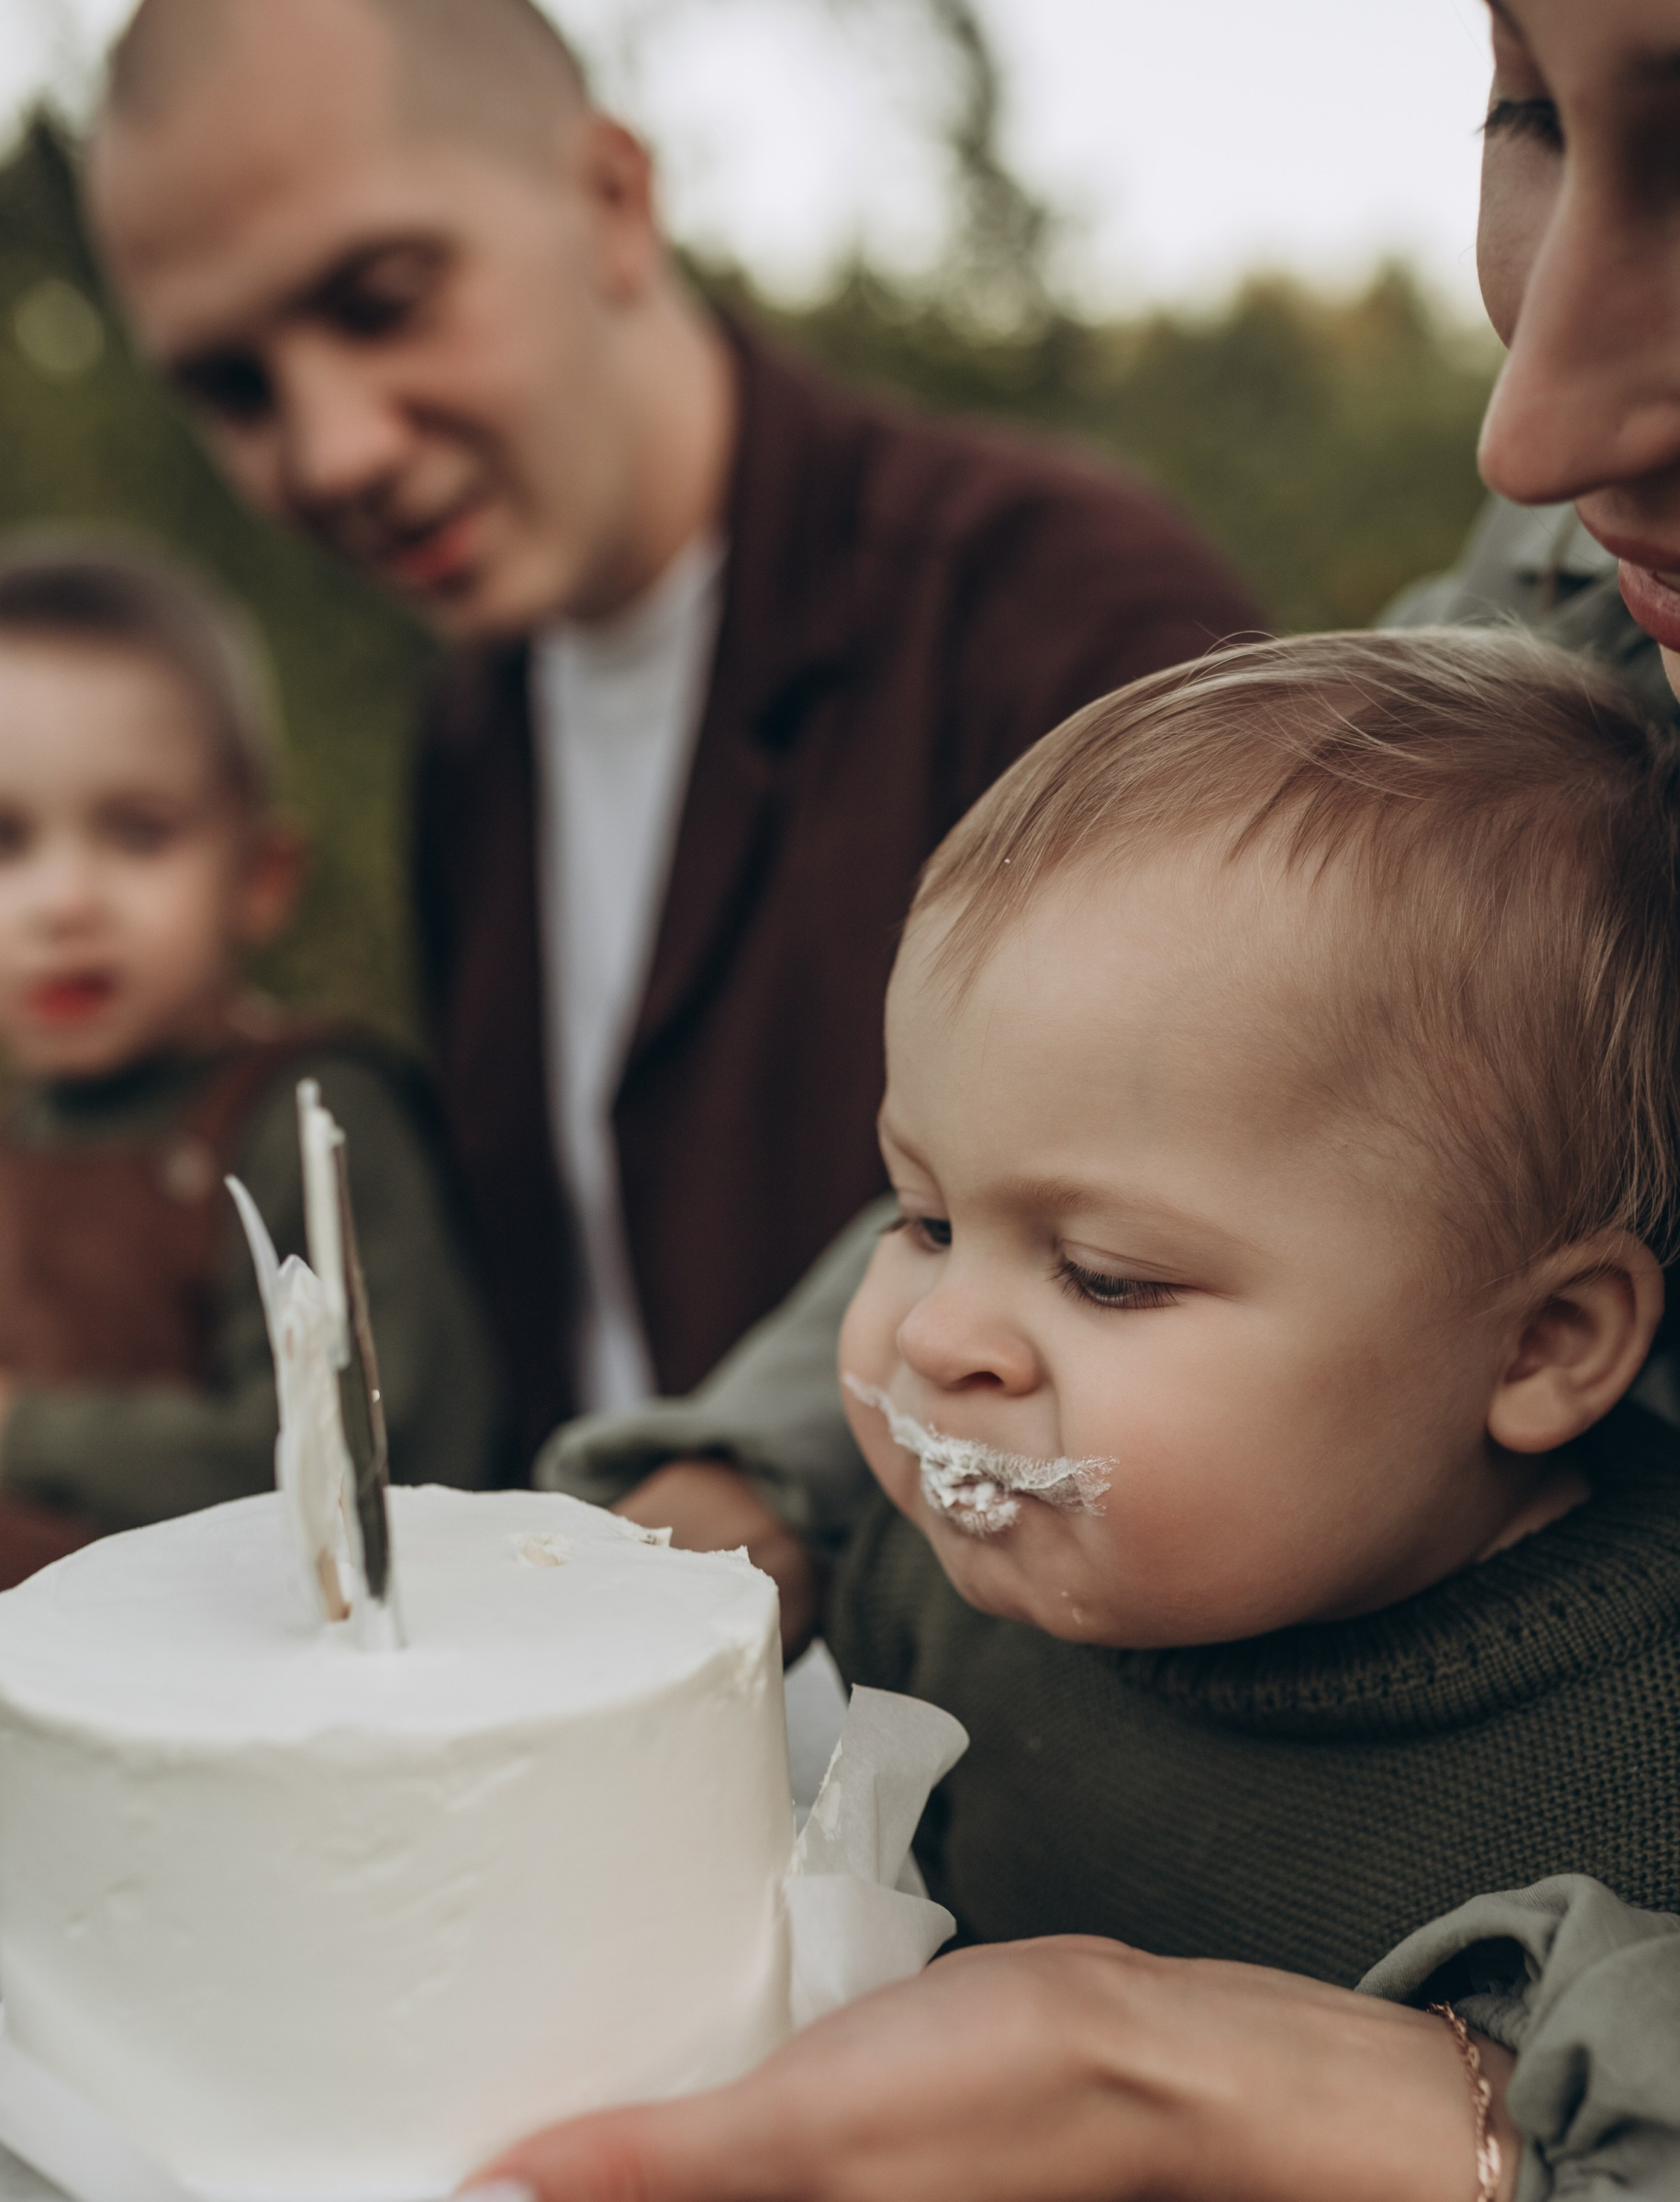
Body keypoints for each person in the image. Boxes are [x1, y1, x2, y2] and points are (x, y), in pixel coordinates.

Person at [13, 632, 1680, 2202]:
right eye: (922, 1210)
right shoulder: (963, 1593)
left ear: (1548, 1341)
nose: (943, 1338)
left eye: (1105, 1277)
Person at [80, 0, 1261, 1476]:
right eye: (234, 390)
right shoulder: (469, 737)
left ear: (612, 201)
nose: (334, 451)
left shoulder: (1050, 620)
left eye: (382, 301)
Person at [0, 534, 498, 1575]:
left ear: (261, 876)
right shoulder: (22, 1140)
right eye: (7, 843)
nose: (64, 902)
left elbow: (366, 1451)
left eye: (138, 834)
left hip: (235, 1684)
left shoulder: (306, 1113)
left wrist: (27, 1431)